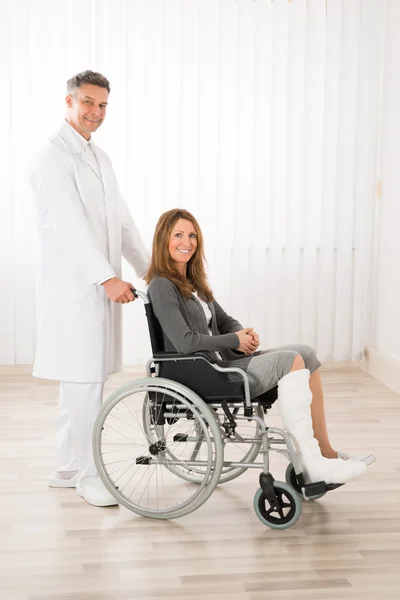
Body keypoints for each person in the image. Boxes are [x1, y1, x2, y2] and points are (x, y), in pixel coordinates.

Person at [146, 209, 375, 486]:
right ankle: (311, 464)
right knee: (290, 360)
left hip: (224, 361)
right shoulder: (161, 286)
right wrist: (234, 341)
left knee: (307, 354)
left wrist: (241, 334)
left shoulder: (194, 284)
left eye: (192, 235)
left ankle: (324, 452)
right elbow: (185, 342)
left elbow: (223, 320)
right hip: (207, 373)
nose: (187, 241)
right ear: (164, 240)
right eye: (178, 235)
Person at [27, 70, 150, 507]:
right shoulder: (52, 158)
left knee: (82, 381)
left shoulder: (100, 158)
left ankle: (66, 465)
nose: (96, 112)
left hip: (95, 287)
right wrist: (107, 277)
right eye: (88, 103)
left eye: (103, 105)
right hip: (76, 290)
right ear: (68, 102)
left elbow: (122, 220)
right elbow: (69, 229)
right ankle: (87, 474)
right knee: (83, 382)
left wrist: (149, 268)